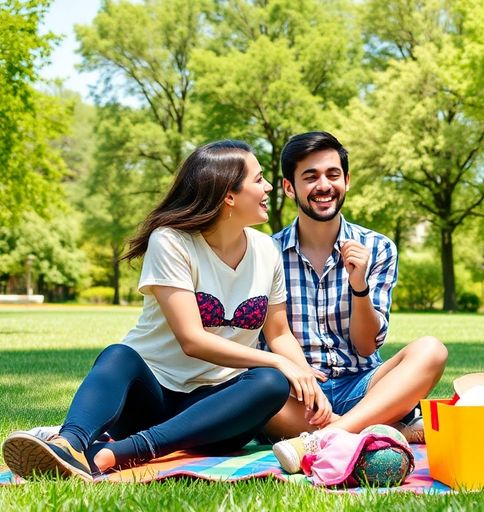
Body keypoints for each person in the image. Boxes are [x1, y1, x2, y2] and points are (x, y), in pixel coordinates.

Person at [1, 141, 326, 481]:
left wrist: (305, 381)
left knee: (270, 382)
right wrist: (276, 360)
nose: (269, 187)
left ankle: (115, 453)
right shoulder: (171, 240)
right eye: (258, 180)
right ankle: (68, 445)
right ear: (229, 195)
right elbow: (192, 339)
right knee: (119, 355)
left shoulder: (266, 250)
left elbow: (279, 333)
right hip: (151, 398)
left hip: (213, 414)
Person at [260, 132, 448, 473]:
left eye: (333, 175)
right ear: (289, 187)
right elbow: (274, 336)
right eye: (310, 177)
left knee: (432, 350)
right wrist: (303, 380)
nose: (324, 185)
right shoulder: (264, 253)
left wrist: (358, 286)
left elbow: (366, 346)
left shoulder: (378, 247)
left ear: (346, 181)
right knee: (254, 395)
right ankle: (383, 429)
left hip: (362, 384)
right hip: (296, 396)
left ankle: (324, 437)